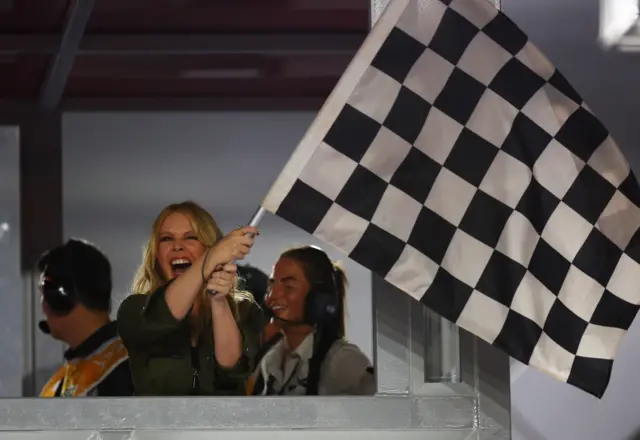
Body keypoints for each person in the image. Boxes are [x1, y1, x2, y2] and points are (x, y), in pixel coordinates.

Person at [117, 201, 264, 395]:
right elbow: (161, 317)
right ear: (156, 255)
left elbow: (232, 365)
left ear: (208, 246)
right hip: (158, 424)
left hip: (223, 424)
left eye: (191, 237)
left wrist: (219, 302)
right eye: (166, 239)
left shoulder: (245, 311)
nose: (177, 246)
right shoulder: (135, 309)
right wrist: (211, 258)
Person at [247, 245, 375, 396]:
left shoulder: (344, 361)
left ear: (318, 298)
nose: (272, 296)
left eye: (288, 287)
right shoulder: (270, 359)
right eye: (272, 285)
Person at [38, 239, 133, 397]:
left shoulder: (126, 369)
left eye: (44, 293)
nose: (43, 305)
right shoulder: (63, 378)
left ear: (60, 298)